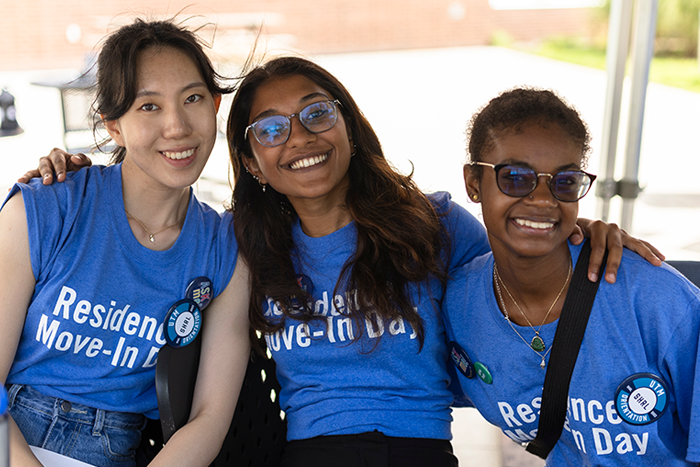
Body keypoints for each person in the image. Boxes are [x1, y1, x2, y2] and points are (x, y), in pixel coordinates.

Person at [25, 57, 663, 467]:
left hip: (422, 452)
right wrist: (74, 170)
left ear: (349, 127)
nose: (298, 137)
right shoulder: (242, 245)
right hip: (312, 455)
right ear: (252, 164)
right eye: (270, 130)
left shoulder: (432, 222)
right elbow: (149, 219)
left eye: (315, 114)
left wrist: (587, 233)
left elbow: (521, 261)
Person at [0, 19, 251, 467]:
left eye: (192, 98)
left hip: (114, 450)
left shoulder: (224, 251)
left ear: (215, 105)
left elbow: (209, 417)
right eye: (148, 106)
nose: (177, 127)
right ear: (113, 126)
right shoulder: (46, 208)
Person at [443, 87, 700, 465]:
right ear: (472, 183)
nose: (544, 200)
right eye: (515, 177)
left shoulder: (654, 300)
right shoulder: (458, 308)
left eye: (564, 182)